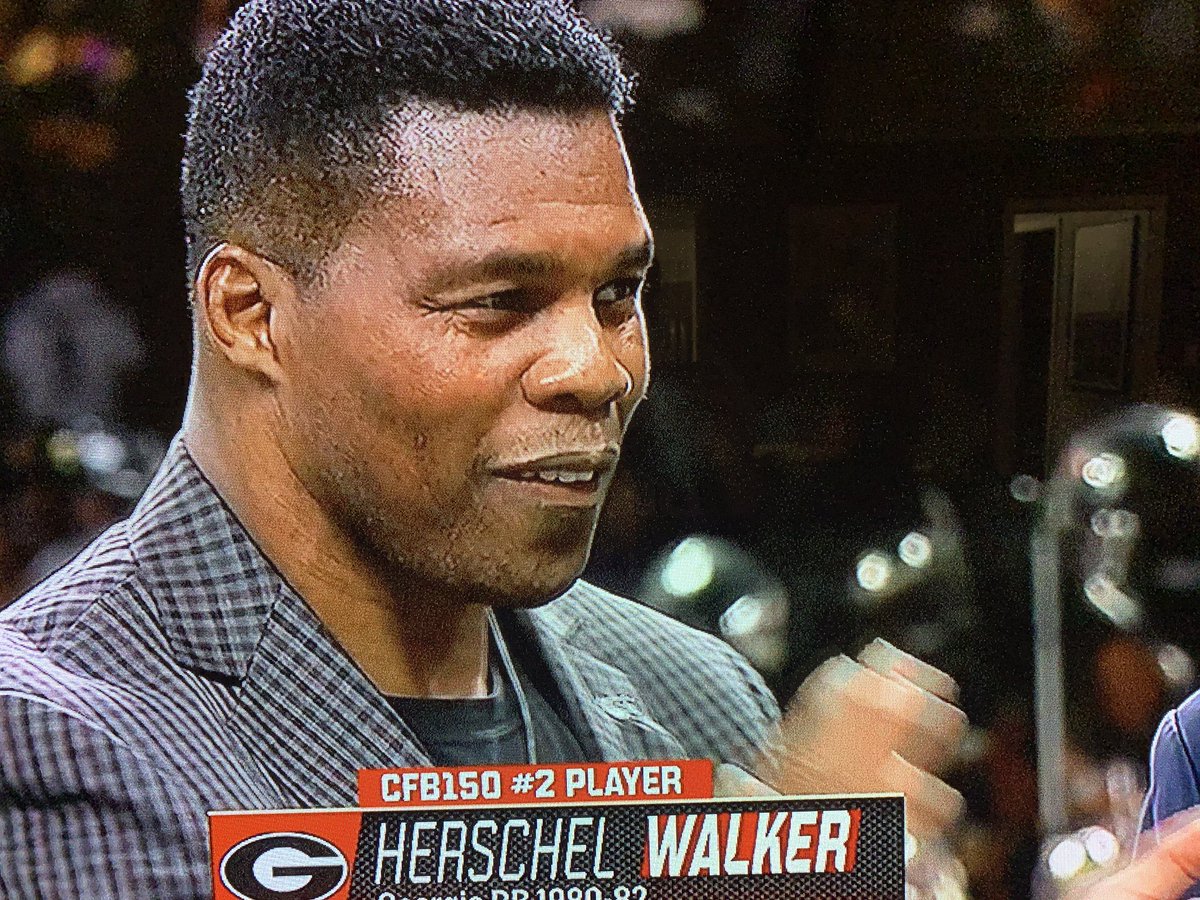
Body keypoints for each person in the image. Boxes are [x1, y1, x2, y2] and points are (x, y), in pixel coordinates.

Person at [0, 2, 966, 897]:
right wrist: (775, 869)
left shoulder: (694, 693)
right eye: (499, 302)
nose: (597, 369)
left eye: (617, 297)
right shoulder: (47, 731)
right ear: (251, 314)